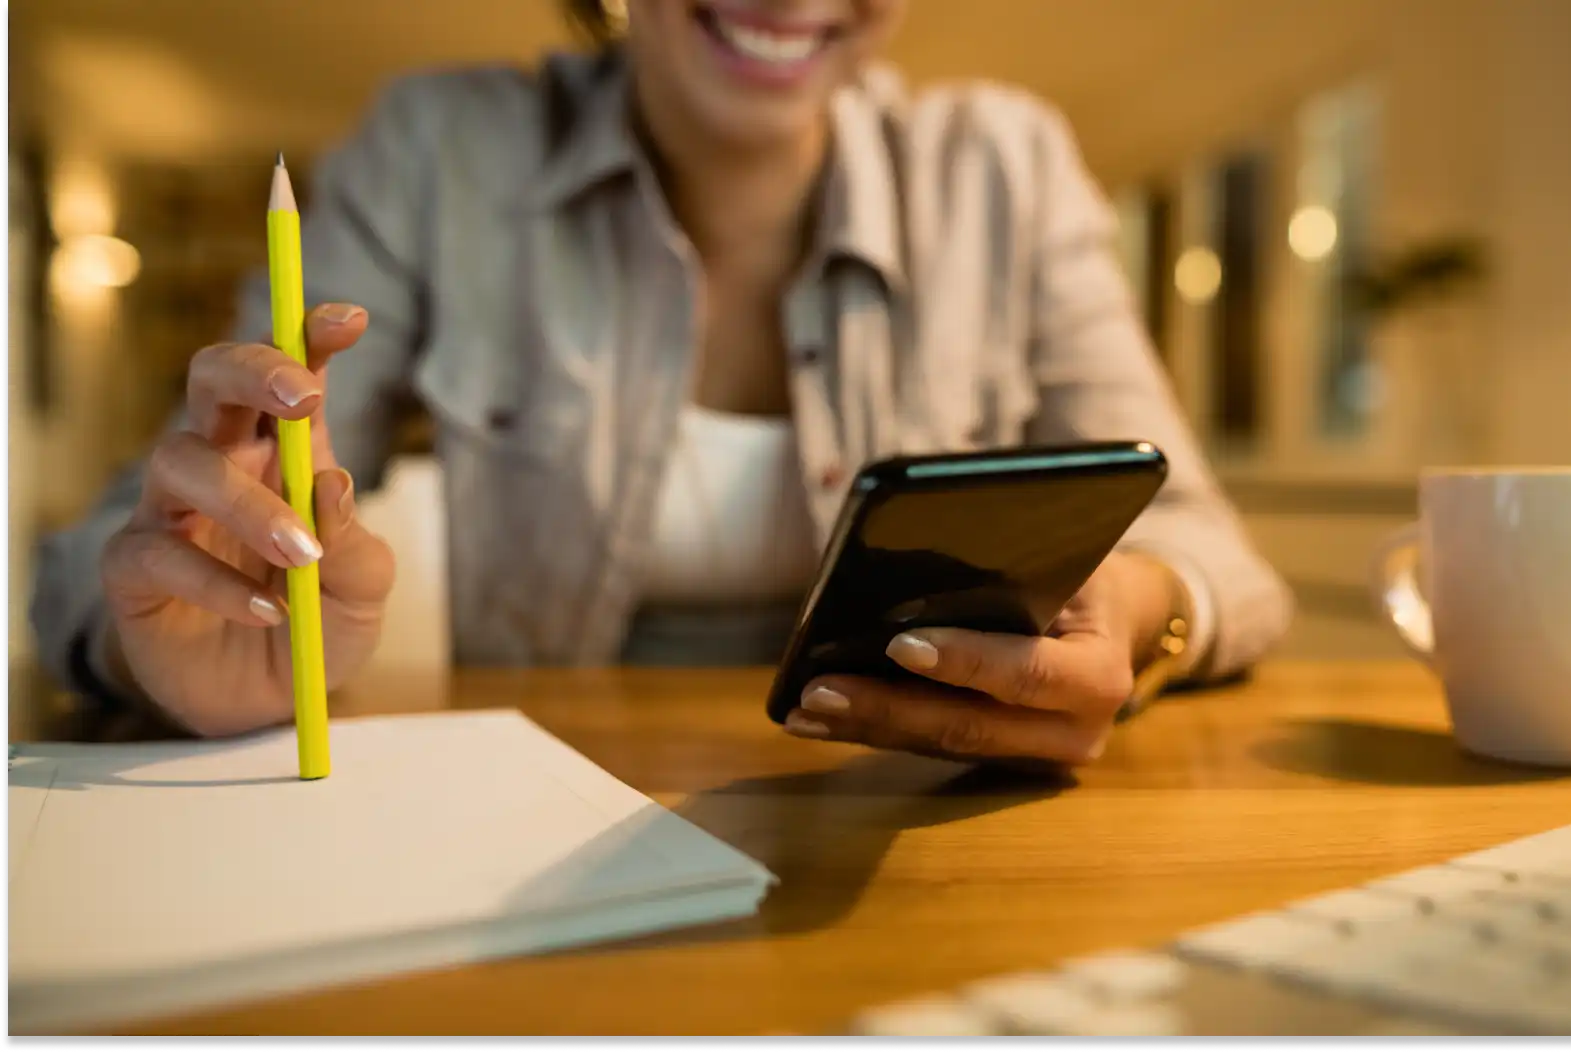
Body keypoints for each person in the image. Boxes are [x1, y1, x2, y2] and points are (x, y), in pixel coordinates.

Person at [31, 0, 1292, 766]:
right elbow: (124, 551)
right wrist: (170, 643)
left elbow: (1208, 550)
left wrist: (1146, 612)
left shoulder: (1006, 166)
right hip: (524, 834)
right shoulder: (436, 153)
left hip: (894, 824)